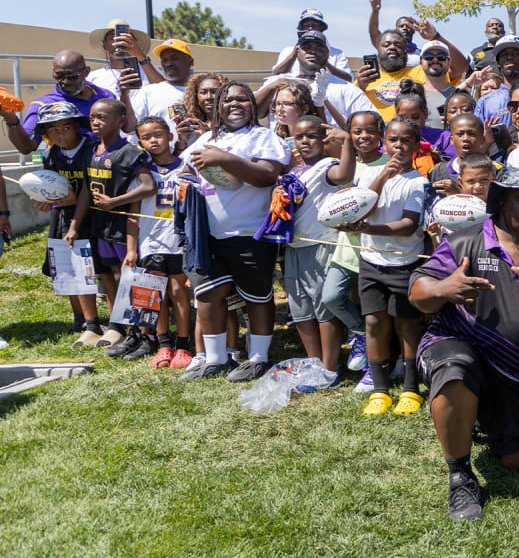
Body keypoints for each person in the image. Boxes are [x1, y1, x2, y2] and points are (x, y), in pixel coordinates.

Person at [410, 167, 519, 521]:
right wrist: (443, 289)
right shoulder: (464, 242)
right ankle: (460, 477)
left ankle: (483, 422)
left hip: (517, 370)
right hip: (453, 345)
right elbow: (417, 293)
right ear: (502, 201)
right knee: (457, 368)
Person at [177, 82, 291, 382]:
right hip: (208, 235)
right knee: (209, 295)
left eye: (242, 99)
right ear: (216, 107)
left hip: (250, 232)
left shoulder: (262, 137)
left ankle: (258, 357)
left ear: (254, 106)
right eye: (226, 100)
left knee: (258, 296)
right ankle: (215, 358)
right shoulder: (206, 138)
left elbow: (268, 176)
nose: (234, 104)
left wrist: (224, 159)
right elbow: (186, 168)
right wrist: (188, 178)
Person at [339, 117, 428, 416]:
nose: (398, 146)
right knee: (374, 323)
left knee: (405, 324)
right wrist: (382, 178)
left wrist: (368, 231)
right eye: (393, 140)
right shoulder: (371, 175)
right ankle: (379, 390)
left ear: (416, 146)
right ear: (384, 142)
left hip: (404, 264)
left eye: (405, 141)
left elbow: (407, 225)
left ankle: (411, 389)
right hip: (372, 263)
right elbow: (363, 207)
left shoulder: (418, 181)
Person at [283, 115, 356, 383]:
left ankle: (329, 367)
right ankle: (313, 364)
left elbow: (346, 175)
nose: (304, 141)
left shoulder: (328, 166)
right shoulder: (294, 171)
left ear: (324, 139)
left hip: (320, 245)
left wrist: (347, 140)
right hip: (294, 247)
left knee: (323, 309)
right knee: (301, 309)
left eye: (311, 136)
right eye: (299, 137)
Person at [86, 99, 157, 357]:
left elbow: (149, 186)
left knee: (133, 279)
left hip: (125, 226)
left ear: (120, 120)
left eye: (102, 117)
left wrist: (115, 202)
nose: (95, 122)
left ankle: (148, 336)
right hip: (101, 226)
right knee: (115, 277)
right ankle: (129, 332)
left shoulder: (130, 152)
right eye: (93, 117)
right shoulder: (93, 150)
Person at [322, 111, 388, 391]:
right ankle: (359, 332)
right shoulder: (347, 165)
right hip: (346, 249)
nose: (364, 137)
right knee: (332, 296)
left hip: (378, 250)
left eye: (370, 131)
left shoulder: (388, 164)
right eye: (356, 132)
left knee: (375, 310)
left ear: (381, 134)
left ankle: (378, 366)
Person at [30, 103, 99, 346]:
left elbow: (88, 190)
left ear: (78, 127)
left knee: (99, 269)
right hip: (62, 217)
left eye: (66, 127)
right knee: (66, 267)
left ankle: (102, 323)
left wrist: (70, 200)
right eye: (53, 130)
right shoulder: (50, 154)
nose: (60, 134)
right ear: (46, 133)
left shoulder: (92, 149)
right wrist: (44, 201)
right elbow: (51, 187)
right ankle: (80, 317)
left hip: (96, 215)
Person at [132, 116, 193, 371]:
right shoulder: (140, 172)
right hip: (149, 243)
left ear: (170, 136)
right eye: (146, 137)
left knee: (179, 292)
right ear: (140, 142)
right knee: (155, 296)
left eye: (158, 134)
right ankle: (163, 345)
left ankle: (183, 345)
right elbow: (133, 214)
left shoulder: (186, 166)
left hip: (176, 242)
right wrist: (130, 248)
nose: (153, 140)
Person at [260, 32, 375, 128]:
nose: (313, 51)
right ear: (297, 52)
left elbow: (372, 123)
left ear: (328, 53)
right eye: (307, 48)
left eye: (319, 48)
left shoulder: (346, 88)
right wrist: (273, 85)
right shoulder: (278, 83)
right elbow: (256, 113)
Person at [9, 50, 113, 154]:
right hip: (65, 168)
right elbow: (26, 147)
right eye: (59, 76)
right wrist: (11, 119)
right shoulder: (43, 105)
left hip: (106, 166)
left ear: (86, 72)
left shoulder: (106, 97)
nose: (65, 81)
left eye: (72, 76)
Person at [357, 26, 465, 121]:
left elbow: (460, 67)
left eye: (398, 45)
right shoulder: (364, 79)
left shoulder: (422, 71)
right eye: (386, 45)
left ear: (406, 50)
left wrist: (436, 37)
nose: (392, 47)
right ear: (378, 49)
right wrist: (359, 86)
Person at [129, 38, 196, 139]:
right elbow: (131, 129)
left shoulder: (203, 93)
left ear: (190, 61)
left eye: (174, 58)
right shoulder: (148, 92)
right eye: (164, 60)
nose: (169, 63)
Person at [86, 19, 162, 97]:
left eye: (125, 38)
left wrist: (142, 58)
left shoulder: (150, 71)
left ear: (134, 43)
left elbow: (166, 91)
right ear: (104, 45)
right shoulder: (93, 78)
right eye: (113, 37)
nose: (118, 41)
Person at [474, 35, 519, 130]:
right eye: (504, 54)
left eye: (515, 54)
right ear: (498, 63)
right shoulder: (485, 102)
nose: (509, 57)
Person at [468, 0, 519, 68]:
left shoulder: (516, 43)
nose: (495, 27)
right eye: (491, 25)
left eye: (499, 26)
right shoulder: (475, 53)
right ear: (486, 33)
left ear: (504, 32)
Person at [367, 0, 423, 67]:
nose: (405, 28)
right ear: (396, 29)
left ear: (414, 30)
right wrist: (375, 11)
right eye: (401, 26)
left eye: (408, 26)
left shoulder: (422, 54)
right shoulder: (388, 50)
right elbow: (373, 32)